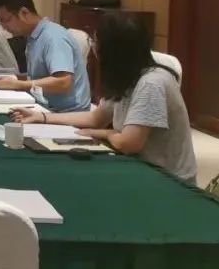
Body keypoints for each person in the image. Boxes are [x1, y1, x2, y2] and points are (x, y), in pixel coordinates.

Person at [12, 13, 196, 184]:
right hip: (136, 167)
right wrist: (42, 117)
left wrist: (103, 133)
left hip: (167, 180)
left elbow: (128, 144)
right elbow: (95, 118)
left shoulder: (152, 83)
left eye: (95, 41)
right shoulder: (127, 76)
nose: (93, 47)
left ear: (111, 49)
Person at [0, 0, 91, 112]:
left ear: (24, 13)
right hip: (46, 107)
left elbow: (63, 82)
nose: (4, 27)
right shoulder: (33, 36)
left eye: (6, 20)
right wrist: (14, 78)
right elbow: (39, 76)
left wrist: (18, 84)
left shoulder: (53, 37)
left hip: (68, 114)